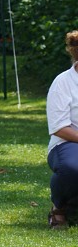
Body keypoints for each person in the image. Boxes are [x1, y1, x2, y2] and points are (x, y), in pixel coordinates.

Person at [47, 31, 78, 229]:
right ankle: (59, 206)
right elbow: (59, 128)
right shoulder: (63, 82)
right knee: (72, 169)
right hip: (66, 143)